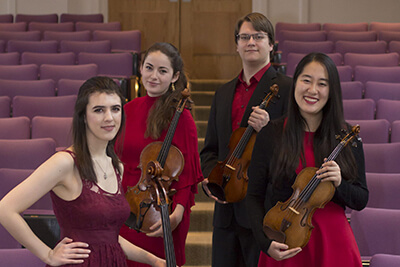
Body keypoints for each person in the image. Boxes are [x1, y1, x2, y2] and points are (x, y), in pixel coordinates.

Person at [0, 76, 166, 267]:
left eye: (115, 109)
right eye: (99, 110)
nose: (109, 118)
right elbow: (5, 209)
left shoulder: (116, 166)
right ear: (83, 117)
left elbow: (108, 239)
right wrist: (48, 255)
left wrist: (153, 260)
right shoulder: (65, 163)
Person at [246, 52, 369, 266]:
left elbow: (361, 199)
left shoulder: (347, 137)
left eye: (322, 84)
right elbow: (253, 196)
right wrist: (265, 243)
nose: (312, 90)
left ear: (331, 91)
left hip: (333, 243)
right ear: (295, 84)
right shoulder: (271, 134)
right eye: (306, 80)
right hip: (285, 243)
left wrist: (339, 184)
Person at [200, 12, 292, 267]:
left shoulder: (288, 88)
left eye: (258, 36)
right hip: (226, 210)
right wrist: (211, 178)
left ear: (271, 45)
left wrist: (268, 130)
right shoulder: (223, 93)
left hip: (264, 208)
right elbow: (210, 149)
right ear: (236, 44)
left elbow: (296, 147)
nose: (251, 42)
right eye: (245, 37)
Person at [118, 42, 203, 267]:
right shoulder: (126, 110)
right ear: (140, 70)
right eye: (149, 68)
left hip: (160, 210)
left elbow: (186, 177)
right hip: (125, 206)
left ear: (175, 76)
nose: (153, 76)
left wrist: (175, 216)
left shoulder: (182, 118)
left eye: (162, 71)